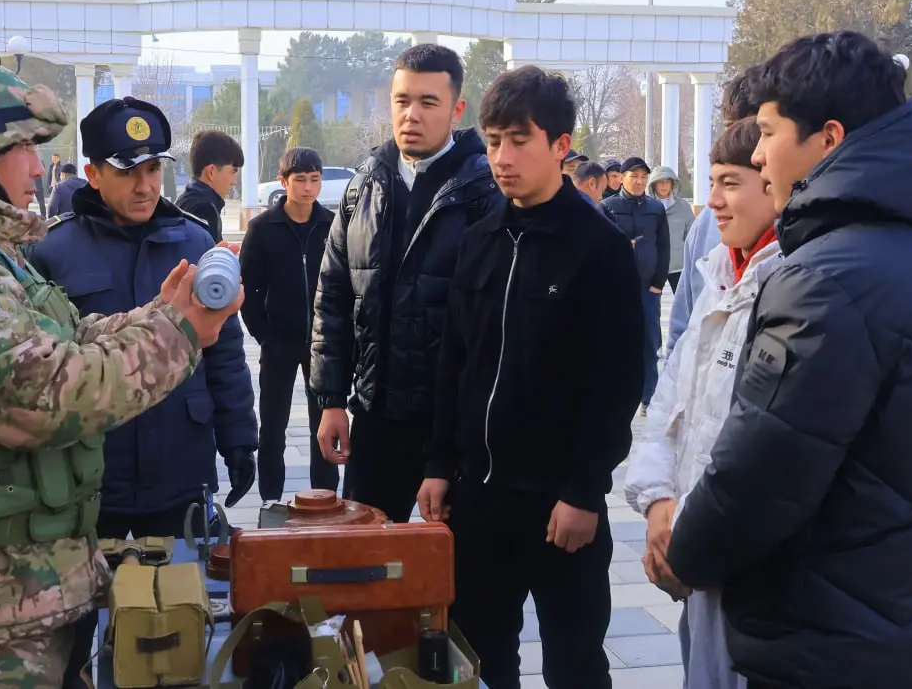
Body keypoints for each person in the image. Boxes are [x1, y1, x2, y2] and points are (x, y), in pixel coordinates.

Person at [0, 59, 240, 689]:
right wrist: (179, 333)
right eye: (24, 147)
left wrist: (166, 315)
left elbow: (65, 339)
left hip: (7, 597)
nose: (37, 167)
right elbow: (48, 395)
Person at [667, 32, 912, 689]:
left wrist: (686, 555)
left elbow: (758, 477)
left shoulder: (823, 280)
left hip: (822, 637)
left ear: (828, 138)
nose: (757, 154)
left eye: (768, 132)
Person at [418, 66, 643, 689]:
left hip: (559, 505)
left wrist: (584, 490)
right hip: (478, 500)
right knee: (480, 659)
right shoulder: (480, 239)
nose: (502, 157)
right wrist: (439, 464)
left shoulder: (598, 248)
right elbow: (454, 362)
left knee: (575, 664)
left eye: (519, 141)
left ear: (560, 145)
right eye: (493, 141)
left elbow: (617, 381)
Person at [27, 95, 257, 539]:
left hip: (180, 462)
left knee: (185, 582)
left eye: (152, 169)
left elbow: (225, 349)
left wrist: (240, 438)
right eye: (127, 172)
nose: (145, 186)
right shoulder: (52, 251)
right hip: (93, 475)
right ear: (94, 174)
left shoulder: (195, 241)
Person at [311, 43, 500, 525]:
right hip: (378, 413)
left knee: (455, 562)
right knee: (366, 554)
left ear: (457, 109)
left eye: (428, 102)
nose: (411, 115)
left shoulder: (486, 193)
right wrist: (331, 401)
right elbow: (333, 297)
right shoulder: (364, 187)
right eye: (402, 100)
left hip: (457, 422)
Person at [624, 118, 782, 689]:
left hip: (745, 565)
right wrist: (658, 504)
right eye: (711, 182)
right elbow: (671, 404)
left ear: (775, 183)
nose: (712, 201)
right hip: (695, 553)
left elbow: (760, 448)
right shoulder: (717, 270)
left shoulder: (793, 286)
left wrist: (689, 539)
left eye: (730, 183)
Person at [240, 146, 340, 502]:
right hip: (279, 342)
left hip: (323, 344)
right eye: (300, 180)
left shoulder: (332, 224)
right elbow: (248, 288)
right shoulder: (262, 228)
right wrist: (264, 335)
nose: (308, 188)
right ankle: (270, 503)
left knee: (323, 427)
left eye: (314, 179)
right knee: (273, 428)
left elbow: (343, 282)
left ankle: (325, 503)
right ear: (284, 181)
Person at [664, 68, 759, 360]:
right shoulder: (706, 223)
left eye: (756, 130)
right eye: (731, 128)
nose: (736, 143)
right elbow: (683, 326)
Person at [601, 155, 670, 407]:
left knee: (649, 343)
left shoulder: (656, 208)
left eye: (643, 177)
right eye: (634, 176)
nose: (640, 181)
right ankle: (617, 393)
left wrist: (658, 284)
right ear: (622, 178)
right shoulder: (607, 206)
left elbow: (664, 247)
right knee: (616, 342)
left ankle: (647, 396)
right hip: (617, 290)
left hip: (647, 288)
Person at [177, 129, 244, 242]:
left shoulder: (184, 201)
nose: (234, 181)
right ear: (211, 172)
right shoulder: (204, 209)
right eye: (233, 172)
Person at [647, 165, 695, 293]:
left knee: (683, 300)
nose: (664, 185)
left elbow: (691, 233)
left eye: (667, 181)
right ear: (653, 185)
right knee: (652, 301)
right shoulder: (646, 206)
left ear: (673, 184)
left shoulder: (683, 206)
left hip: (678, 265)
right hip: (653, 265)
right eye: (660, 182)